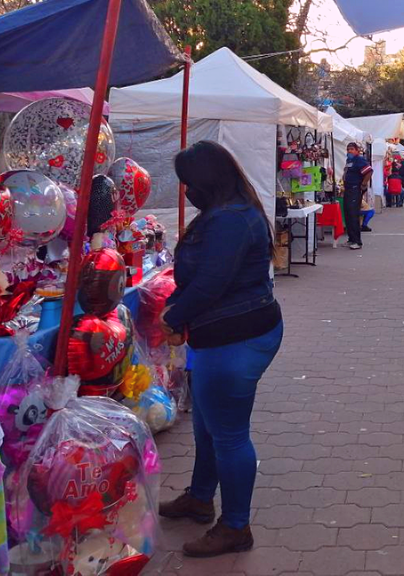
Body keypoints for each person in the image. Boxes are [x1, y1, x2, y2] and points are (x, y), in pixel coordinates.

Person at [157, 141, 284, 558]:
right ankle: (199, 497)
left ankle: (235, 526)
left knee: (228, 434)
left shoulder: (230, 220)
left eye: (188, 183)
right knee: (207, 426)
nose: (185, 191)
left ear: (205, 181)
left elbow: (211, 284)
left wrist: (172, 317)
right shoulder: (228, 211)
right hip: (227, 333)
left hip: (235, 338)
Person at [343, 142, 372, 249]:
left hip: (355, 190)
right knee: (347, 214)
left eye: (351, 149)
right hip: (348, 189)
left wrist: (364, 184)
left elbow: (369, 171)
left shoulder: (359, 160)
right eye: (348, 149)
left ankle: (357, 241)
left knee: (353, 215)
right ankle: (351, 239)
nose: (349, 151)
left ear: (356, 150)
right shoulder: (349, 161)